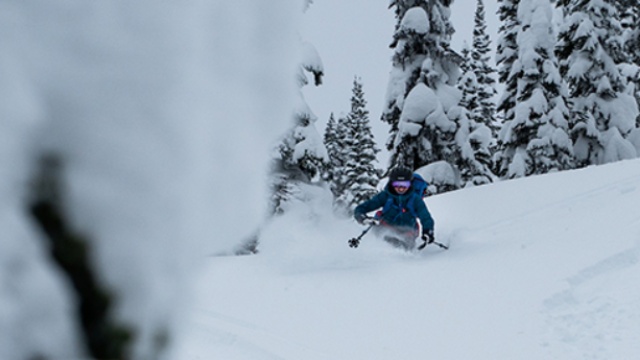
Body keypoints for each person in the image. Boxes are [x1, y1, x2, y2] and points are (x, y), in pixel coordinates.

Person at [352, 166, 435, 250]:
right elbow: (365, 207)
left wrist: (428, 231)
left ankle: (401, 252)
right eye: (397, 184)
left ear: (410, 184)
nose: (401, 188)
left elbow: (425, 217)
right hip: (386, 225)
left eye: (405, 184)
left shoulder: (415, 199)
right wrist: (361, 216)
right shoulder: (386, 196)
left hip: (408, 230)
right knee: (381, 235)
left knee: (405, 247)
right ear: (392, 183)